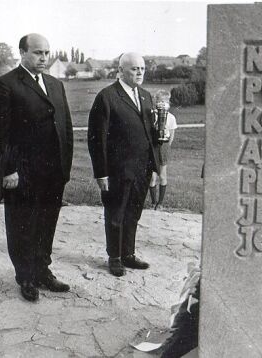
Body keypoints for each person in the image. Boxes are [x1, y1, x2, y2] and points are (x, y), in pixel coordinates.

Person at [0, 33, 73, 302]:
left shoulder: (55, 85)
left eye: (46, 53)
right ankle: (25, 276)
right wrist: (7, 170)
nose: (43, 58)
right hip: (22, 173)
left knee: (47, 222)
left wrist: (64, 167)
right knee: (22, 224)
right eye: (37, 53)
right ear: (22, 52)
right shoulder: (6, 85)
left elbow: (65, 126)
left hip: (52, 172)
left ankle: (42, 270)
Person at [88, 52, 159, 277]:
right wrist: (101, 173)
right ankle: (115, 257)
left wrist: (155, 167)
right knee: (116, 214)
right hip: (117, 170)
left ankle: (128, 254)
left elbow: (151, 135)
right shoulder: (107, 97)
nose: (139, 73)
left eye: (142, 69)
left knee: (134, 213)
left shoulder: (147, 96)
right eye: (134, 69)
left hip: (142, 169)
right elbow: (96, 138)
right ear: (120, 71)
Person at [149, 89, 177, 210]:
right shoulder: (151, 116)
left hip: (163, 147)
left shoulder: (171, 118)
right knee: (152, 177)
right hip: (152, 147)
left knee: (162, 175)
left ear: (168, 103)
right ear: (156, 102)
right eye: (159, 100)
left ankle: (160, 203)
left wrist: (165, 147)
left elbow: (171, 136)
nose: (162, 103)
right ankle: (153, 202)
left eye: (164, 101)